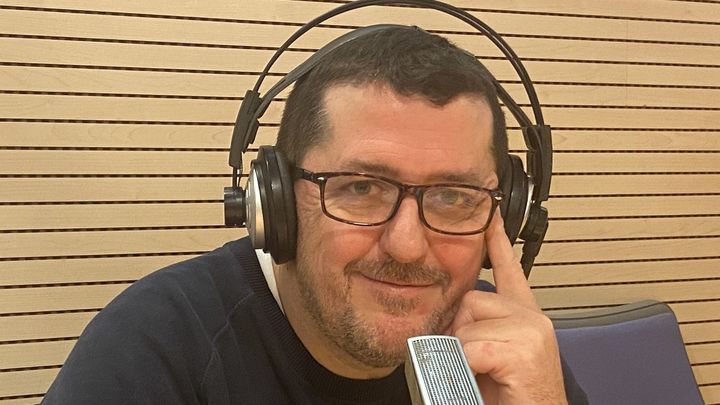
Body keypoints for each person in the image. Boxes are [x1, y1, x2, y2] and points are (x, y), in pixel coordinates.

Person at [42, 26, 587, 404]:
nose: (407, 246)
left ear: (508, 215)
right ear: (275, 203)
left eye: (453, 196)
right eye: (362, 188)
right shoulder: (155, 348)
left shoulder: (501, 350)